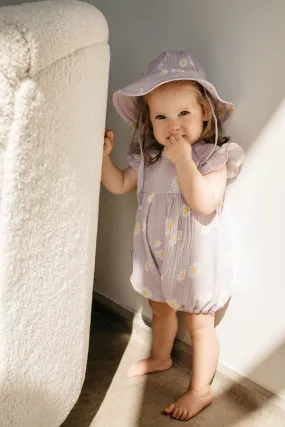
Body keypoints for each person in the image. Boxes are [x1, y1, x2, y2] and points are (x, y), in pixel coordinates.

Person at [101, 51, 244, 421]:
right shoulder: (148, 160)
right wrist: (103, 158)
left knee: (199, 323)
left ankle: (200, 389)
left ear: (204, 115)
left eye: (184, 114)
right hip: (157, 257)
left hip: (195, 260)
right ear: (149, 122)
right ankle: (162, 357)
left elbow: (204, 204)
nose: (173, 125)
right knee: (160, 310)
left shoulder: (212, 157)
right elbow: (117, 184)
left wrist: (183, 161)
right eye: (161, 116)